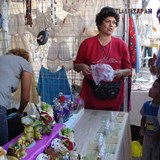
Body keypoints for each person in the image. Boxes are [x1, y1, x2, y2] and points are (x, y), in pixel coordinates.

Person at [73, 6, 131, 111]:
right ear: (99, 23)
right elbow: (76, 66)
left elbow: (128, 70)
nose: (111, 25)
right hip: (92, 93)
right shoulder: (87, 44)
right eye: (107, 21)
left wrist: (121, 72)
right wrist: (82, 66)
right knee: (91, 124)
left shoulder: (121, 45)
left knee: (112, 125)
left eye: (114, 22)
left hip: (113, 94)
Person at [0, 48, 33, 146]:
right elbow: (25, 98)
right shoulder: (25, 64)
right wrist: (19, 112)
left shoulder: (1, 58)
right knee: (3, 148)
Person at [139, 77, 160, 160]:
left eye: (155, 87)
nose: (150, 89)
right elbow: (143, 119)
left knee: (156, 156)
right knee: (145, 154)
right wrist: (141, 129)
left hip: (157, 140)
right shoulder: (146, 105)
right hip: (147, 136)